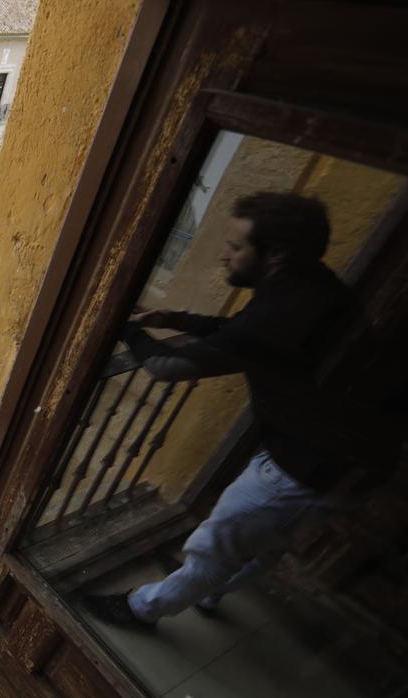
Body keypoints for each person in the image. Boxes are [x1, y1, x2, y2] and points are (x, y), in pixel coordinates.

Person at [85, 192, 394, 628]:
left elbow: (164, 366)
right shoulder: (310, 285)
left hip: (303, 466)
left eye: (235, 246)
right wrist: (179, 319)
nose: (223, 255)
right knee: (268, 544)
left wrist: (126, 329)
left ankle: (142, 610)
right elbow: (244, 331)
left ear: (276, 253)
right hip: (347, 462)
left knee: (213, 545)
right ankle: (210, 594)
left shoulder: (279, 311)